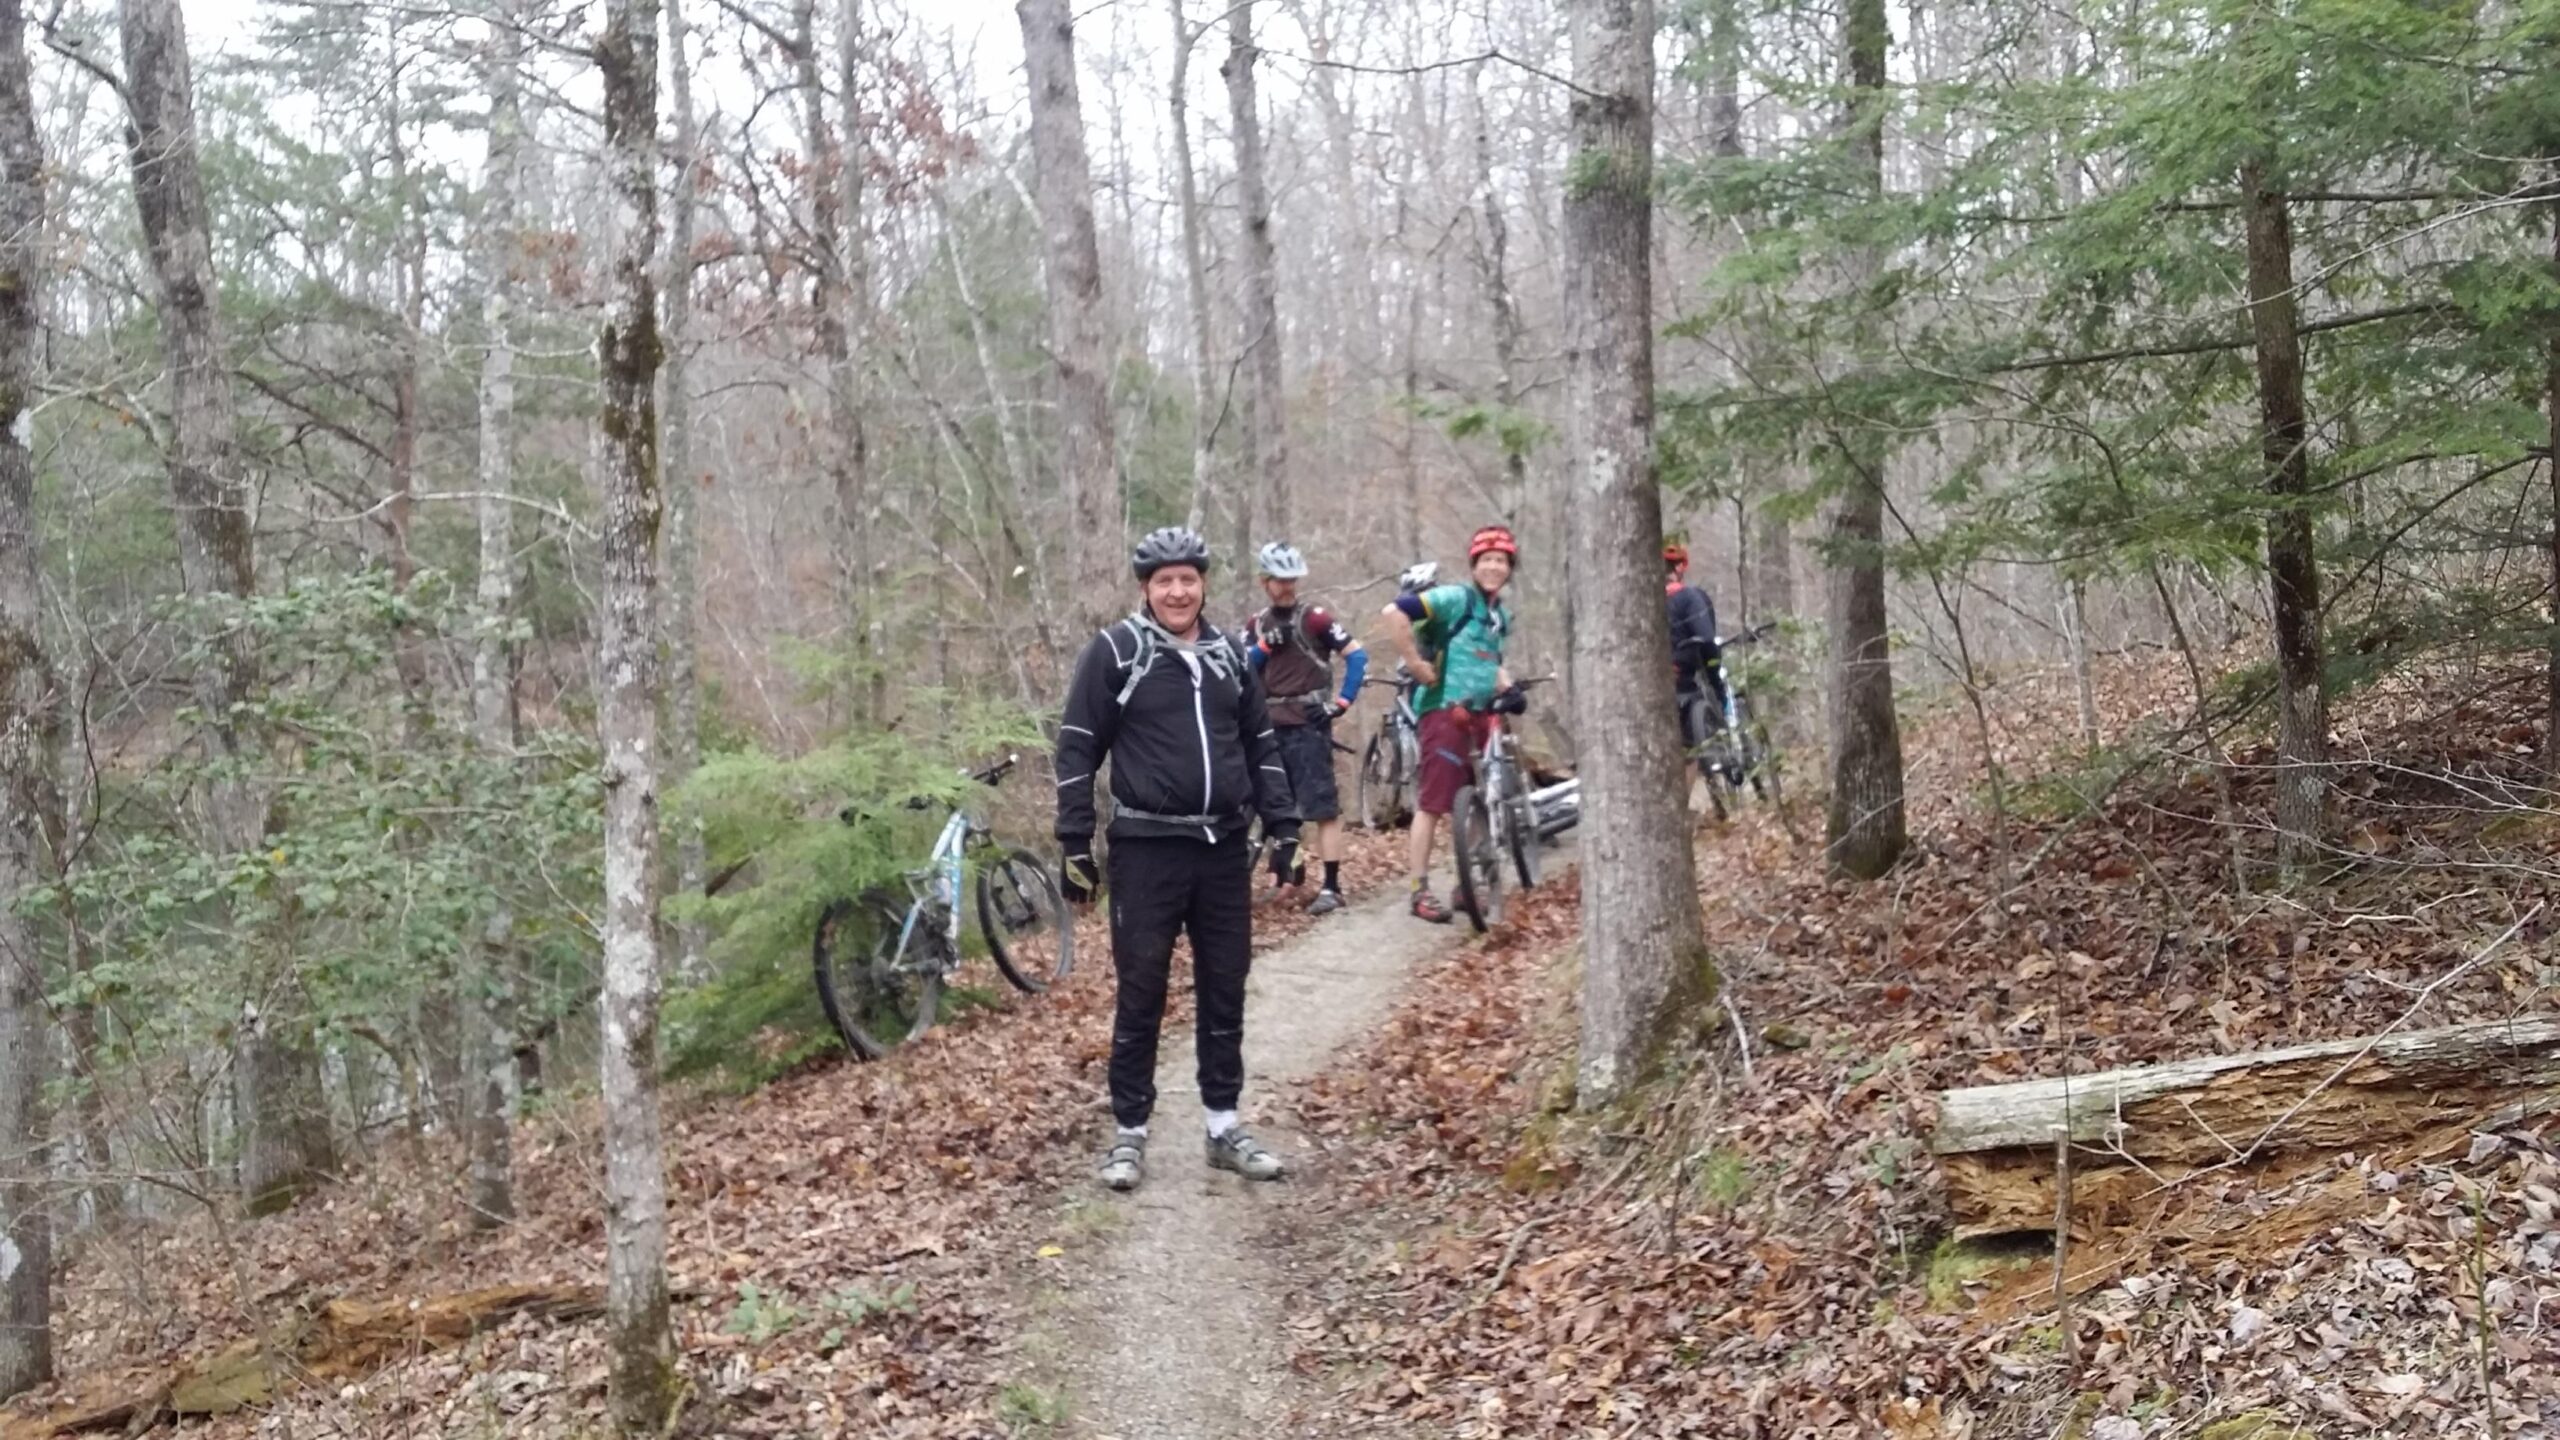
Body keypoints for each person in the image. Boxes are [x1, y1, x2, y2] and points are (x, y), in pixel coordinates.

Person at [1054, 526, 1299, 1192]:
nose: (1177, 590)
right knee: (1142, 993)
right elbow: (1077, 746)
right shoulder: (1115, 652)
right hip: (1145, 851)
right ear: (1146, 589)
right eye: (1164, 581)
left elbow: (1260, 744)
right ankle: (1129, 1133)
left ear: (1203, 584)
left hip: (1223, 852)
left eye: (1188, 578)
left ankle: (1223, 1126)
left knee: (1225, 990)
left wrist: (1285, 825)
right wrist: (1075, 842)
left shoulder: (1229, 655)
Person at [1378, 525, 1516, 923]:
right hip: (1443, 709)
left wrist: (1509, 686)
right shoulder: (1454, 598)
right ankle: (1418, 890)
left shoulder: (1499, 616)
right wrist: (1416, 663)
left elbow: (1490, 662)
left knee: (1477, 798)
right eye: (1486, 560)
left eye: (1501, 561)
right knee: (1434, 803)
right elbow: (1394, 612)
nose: (1493, 567)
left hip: (1481, 713)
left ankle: (1466, 884)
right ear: (1474, 565)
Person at [1244, 541, 1368, 915]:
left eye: (1291, 579)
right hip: (1267, 727)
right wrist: (1265, 647)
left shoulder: (1315, 618)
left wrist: (1340, 704)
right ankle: (1283, 875)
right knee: (1267, 806)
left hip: (1308, 725)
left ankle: (1331, 886)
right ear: (1265, 581)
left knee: (1322, 807)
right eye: (1279, 580)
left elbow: (1357, 655)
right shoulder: (1256, 624)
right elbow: (1239, 667)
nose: (1287, 586)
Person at [1664, 542, 1728, 756]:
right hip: (1686, 672)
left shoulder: (1643, 602)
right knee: (1691, 751)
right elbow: (1707, 639)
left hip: (1660, 678)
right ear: (1681, 567)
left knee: (1684, 751)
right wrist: (1714, 676)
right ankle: (1722, 712)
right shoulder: (1689, 596)